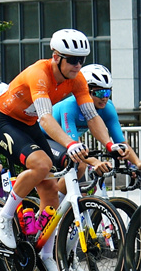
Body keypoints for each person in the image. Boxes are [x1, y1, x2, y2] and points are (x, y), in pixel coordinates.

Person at [0, 29, 119, 271]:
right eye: (72, 59)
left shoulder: (78, 79)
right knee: (41, 164)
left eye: (81, 60)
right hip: (4, 122)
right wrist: (70, 143)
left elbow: (92, 117)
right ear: (56, 57)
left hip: (28, 126)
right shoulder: (40, 73)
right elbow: (46, 118)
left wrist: (111, 144)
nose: (77, 65)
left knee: (50, 189)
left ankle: (47, 254)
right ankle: (4, 215)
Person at [49, 64, 141, 192]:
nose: (105, 97)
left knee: (83, 194)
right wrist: (96, 162)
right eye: (100, 92)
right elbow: (73, 146)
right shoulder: (69, 107)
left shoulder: (108, 107)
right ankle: (54, 207)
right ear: (85, 90)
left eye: (108, 92)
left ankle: (67, 209)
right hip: (46, 138)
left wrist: (138, 163)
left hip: (67, 142)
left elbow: (121, 142)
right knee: (79, 163)